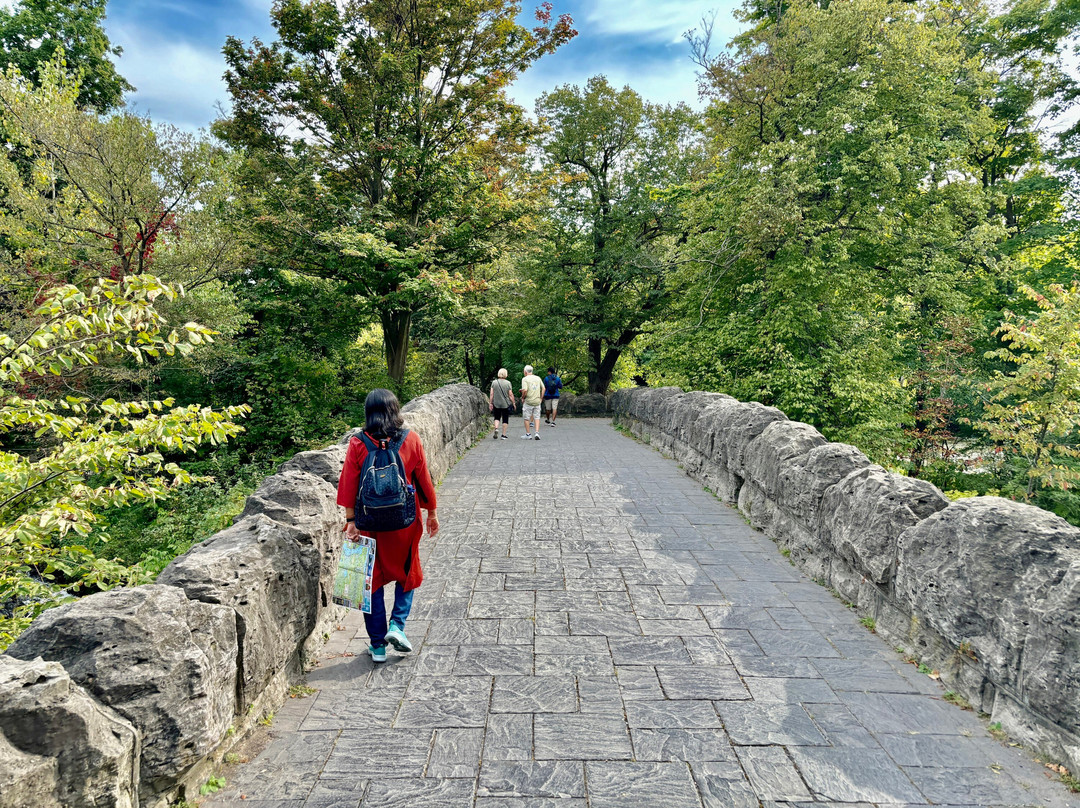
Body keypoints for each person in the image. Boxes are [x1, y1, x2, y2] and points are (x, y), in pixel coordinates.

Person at [336, 389, 440, 663]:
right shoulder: (411, 439)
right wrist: (431, 513)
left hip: (369, 522)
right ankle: (397, 626)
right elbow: (423, 479)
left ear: (368, 412)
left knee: (370, 582)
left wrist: (350, 522)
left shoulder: (358, 443)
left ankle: (378, 646)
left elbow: (348, 484)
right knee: (409, 571)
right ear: (396, 410)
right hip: (404, 521)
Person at [489, 368, 516, 440]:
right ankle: (503, 435)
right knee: (505, 419)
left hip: (496, 403)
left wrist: (490, 403)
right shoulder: (508, 383)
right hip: (505, 404)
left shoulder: (494, 382)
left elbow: (491, 394)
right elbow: (510, 394)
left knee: (497, 417)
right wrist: (513, 402)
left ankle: (496, 428)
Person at [520, 364, 543, 440]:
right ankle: (537, 432)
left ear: (525, 371)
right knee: (537, 417)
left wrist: (523, 397)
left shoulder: (525, 379)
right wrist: (541, 398)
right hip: (537, 401)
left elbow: (525, 390)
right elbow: (543, 388)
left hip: (529, 401)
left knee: (526, 418)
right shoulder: (538, 378)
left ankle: (528, 434)